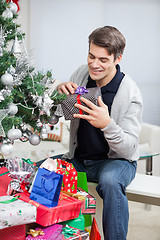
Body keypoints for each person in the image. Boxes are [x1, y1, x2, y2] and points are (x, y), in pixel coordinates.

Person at [39, 26, 143, 240]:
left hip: (115, 162)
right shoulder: (81, 75)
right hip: (79, 159)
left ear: (117, 58)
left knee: (111, 183)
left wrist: (107, 124)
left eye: (103, 60)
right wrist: (59, 94)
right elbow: (62, 114)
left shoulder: (130, 93)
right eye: (91, 56)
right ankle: (46, 234)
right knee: (43, 169)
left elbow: (130, 148)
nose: (95, 64)